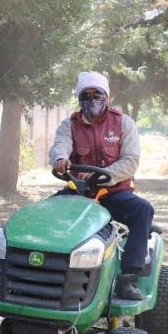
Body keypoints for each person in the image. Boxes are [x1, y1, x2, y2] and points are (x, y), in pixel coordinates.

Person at [48, 71, 154, 301]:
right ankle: (49, 272)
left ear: (106, 97)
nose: (92, 99)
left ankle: (127, 280)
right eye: (86, 95)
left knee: (143, 210)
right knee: (47, 211)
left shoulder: (124, 123)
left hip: (113, 192)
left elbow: (130, 161)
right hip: (79, 193)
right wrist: (59, 160)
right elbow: (60, 146)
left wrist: (106, 174)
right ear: (79, 98)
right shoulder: (70, 125)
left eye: (97, 94)